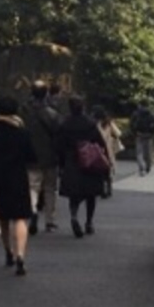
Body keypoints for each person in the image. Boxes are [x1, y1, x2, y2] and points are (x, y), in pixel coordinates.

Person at [0, 95, 37, 276]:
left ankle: (8, 252)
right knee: (20, 218)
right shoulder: (22, 132)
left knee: (4, 219)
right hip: (18, 179)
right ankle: (21, 255)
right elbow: (32, 157)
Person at [56, 95, 109, 238]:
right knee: (91, 193)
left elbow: (59, 145)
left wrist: (61, 163)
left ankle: (74, 216)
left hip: (71, 160)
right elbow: (100, 142)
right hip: (89, 160)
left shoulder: (65, 124)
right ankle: (89, 222)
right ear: (83, 107)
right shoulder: (90, 123)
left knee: (74, 193)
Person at [21, 81, 62, 233]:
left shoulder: (24, 113)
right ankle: (50, 221)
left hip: (30, 157)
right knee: (50, 188)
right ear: (46, 94)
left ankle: (32, 211)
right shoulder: (52, 114)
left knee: (32, 187)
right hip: (50, 157)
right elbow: (58, 134)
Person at [91, 105, 122, 198]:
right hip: (108, 149)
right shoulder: (109, 123)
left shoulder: (93, 124)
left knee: (98, 170)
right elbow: (118, 133)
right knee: (107, 170)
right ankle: (108, 188)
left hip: (97, 149)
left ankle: (100, 189)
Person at [129, 102, 154, 176]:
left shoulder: (136, 114)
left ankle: (142, 168)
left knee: (139, 153)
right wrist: (152, 134)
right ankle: (148, 167)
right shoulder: (151, 114)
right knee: (148, 153)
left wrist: (134, 133)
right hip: (148, 135)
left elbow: (131, 124)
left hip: (139, 135)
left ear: (140, 105)